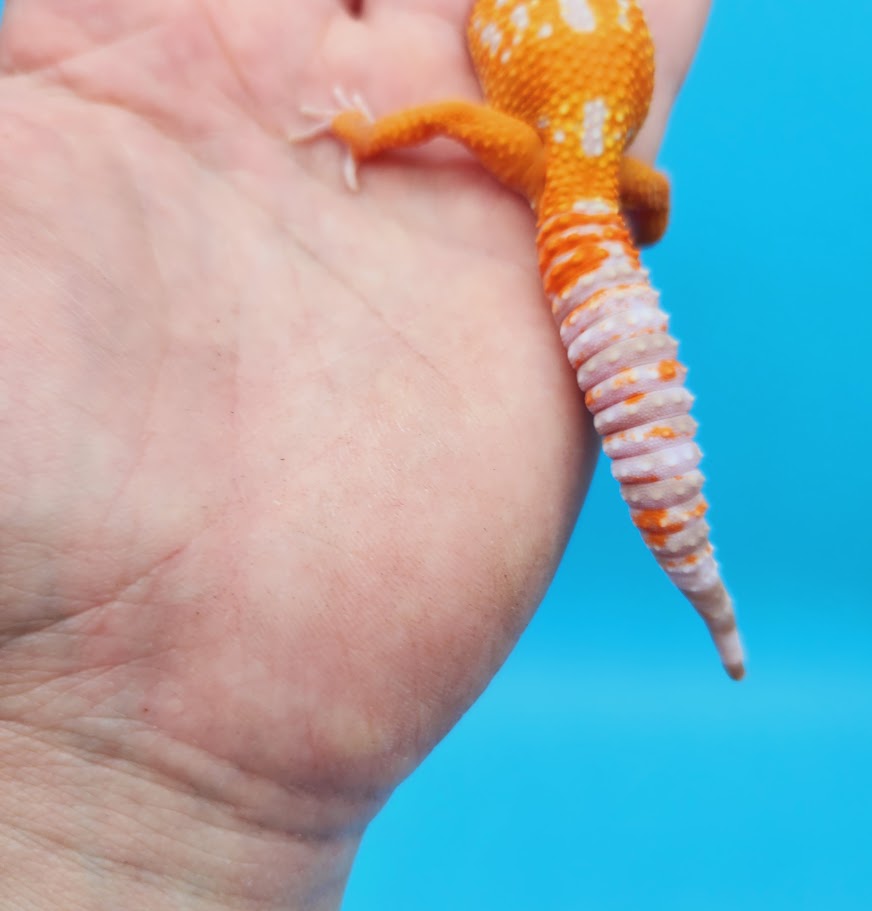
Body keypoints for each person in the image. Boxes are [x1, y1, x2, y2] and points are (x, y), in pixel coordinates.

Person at [0, 0, 711, 906]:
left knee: (462, 129)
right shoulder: (599, 169)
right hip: (593, 176)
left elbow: (455, 120)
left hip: (561, 165)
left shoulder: (522, 139)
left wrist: (361, 134)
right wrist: (607, 221)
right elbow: (653, 200)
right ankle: (705, 591)